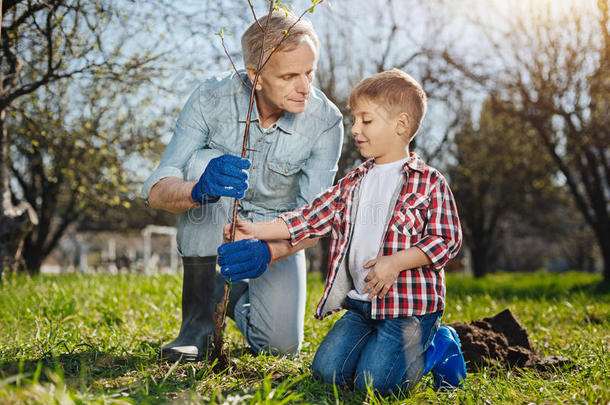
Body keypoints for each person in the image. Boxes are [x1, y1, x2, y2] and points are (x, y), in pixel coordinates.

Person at [218, 69, 463, 394]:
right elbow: (309, 218)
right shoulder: (354, 182)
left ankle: (436, 347)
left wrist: (396, 262)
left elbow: (447, 240)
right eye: (354, 120)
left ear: (401, 125)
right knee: (326, 371)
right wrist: (254, 229)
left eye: (366, 121)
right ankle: (375, 348)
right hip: (363, 305)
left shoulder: (430, 182)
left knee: (377, 386)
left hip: (409, 311)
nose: (355, 129)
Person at [141, 11, 343, 362]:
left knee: (280, 347)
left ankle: (232, 296)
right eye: (290, 76)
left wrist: (268, 251)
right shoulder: (211, 98)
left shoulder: (326, 122)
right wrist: (196, 189)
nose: (306, 88)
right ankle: (198, 325)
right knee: (203, 161)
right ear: (256, 76)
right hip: (213, 217)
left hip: (275, 231)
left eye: (310, 72)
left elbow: (316, 218)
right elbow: (156, 190)